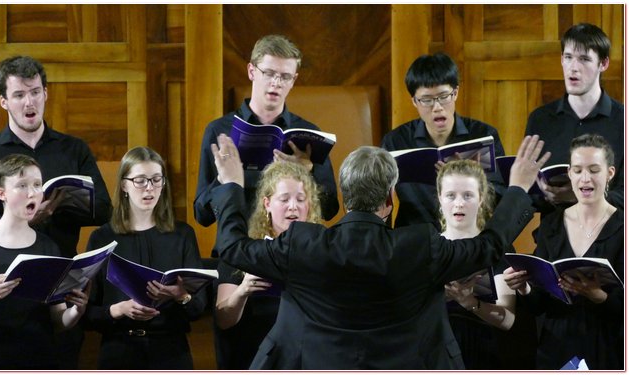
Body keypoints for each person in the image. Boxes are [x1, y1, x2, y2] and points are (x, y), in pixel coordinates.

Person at [208, 133, 548, 369]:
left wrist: (232, 185)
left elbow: (233, 247)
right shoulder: (420, 245)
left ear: (343, 197)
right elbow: (489, 247)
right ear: (389, 201)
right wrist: (517, 187)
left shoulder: (303, 243)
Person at [0, 56, 112, 368]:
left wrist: (58, 205)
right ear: (3, 101)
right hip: (2, 293)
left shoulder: (72, 148)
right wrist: (35, 215)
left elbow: (103, 209)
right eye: (19, 95)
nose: (29, 102)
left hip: (58, 282)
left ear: (46, 93)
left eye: (35, 92)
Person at [194, 34, 339, 233]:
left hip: (291, 251)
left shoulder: (310, 135)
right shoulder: (219, 131)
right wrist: (223, 180)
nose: (276, 83)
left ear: (294, 80)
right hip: (238, 248)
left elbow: (330, 210)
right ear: (252, 71)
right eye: (269, 73)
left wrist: (307, 172)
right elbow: (202, 216)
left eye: (285, 76)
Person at [503, 134, 623, 370]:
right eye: (577, 170)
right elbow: (540, 303)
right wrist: (524, 287)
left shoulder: (624, 227)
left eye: (593, 170)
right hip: (557, 348)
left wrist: (600, 296)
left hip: (609, 348)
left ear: (609, 173)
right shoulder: (551, 225)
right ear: (569, 173)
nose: (585, 178)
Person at [81, 146, 207, 370]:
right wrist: (118, 310)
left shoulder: (182, 235)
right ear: (124, 185)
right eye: (140, 180)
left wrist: (181, 296)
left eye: (156, 179)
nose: (149, 188)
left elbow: (199, 307)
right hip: (119, 349)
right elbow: (85, 313)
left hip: (171, 350)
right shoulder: (102, 238)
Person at [0, 154, 89, 369]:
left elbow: (58, 320)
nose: (32, 192)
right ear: (2, 194)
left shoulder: (48, 247)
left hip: (39, 358)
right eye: (22, 185)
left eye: (37, 185)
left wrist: (76, 311)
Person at [214, 161, 323, 369]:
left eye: (301, 199)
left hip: (305, 359)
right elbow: (223, 319)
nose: (293, 206)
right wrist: (243, 292)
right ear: (267, 204)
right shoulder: (244, 253)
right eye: (284, 199)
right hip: (255, 357)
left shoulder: (321, 252)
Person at [381, 52, 506, 229]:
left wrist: (468, 177)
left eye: (443, 97)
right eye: (426, 100)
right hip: (416, 237)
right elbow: (381, 200)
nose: (437, 107)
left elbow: (500, 196)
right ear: (414, 101)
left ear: (455, 93)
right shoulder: (396, 141)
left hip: (471, 236)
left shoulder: (482, 135)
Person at [524, 23, 623, 213]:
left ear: (603, 64)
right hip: (553, 236)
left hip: (608, 237)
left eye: (584, 59)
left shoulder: (623, 121)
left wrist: (581, 195)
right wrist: (542, 193)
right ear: (561, 59)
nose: (573, 68)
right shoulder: (540, 119)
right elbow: (529, 193)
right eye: (568, 57)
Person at [436, 160, 517, 369]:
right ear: (439, 198)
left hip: (484, 352)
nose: (459, 203)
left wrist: (469, 301)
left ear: (481, 199)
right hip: (437, 353)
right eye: (451, 195)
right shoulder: (429, 248)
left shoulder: (497, 249)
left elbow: (507, 320)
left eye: (468, 195)